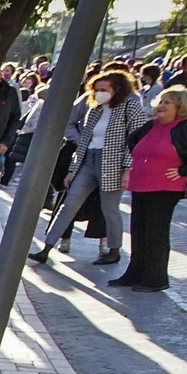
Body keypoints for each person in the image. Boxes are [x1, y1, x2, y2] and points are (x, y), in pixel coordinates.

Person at [30, 69, 149, 266]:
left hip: (113, 163)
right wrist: (72, 168)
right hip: (88, 160)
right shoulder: (95, 108)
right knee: (69, 204)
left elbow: (136, 140)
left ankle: (114, 249)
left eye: (104, 89)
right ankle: (46, 248)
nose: (98, 93)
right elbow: (85, 138)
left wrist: (128, 168)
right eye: (96, 89)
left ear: (117, 89)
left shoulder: (130, 107)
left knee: (109, 208)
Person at [108, 88, 187, 293]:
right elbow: (133, 142)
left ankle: (155, 279)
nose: (161, 105)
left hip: (165, 187)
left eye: (167, 102)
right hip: (141, 185)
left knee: (155, 233)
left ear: (180, 106)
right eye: (160, 101)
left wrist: (185, 169)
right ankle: (134, 274)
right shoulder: (152, 125)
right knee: (139, 231)